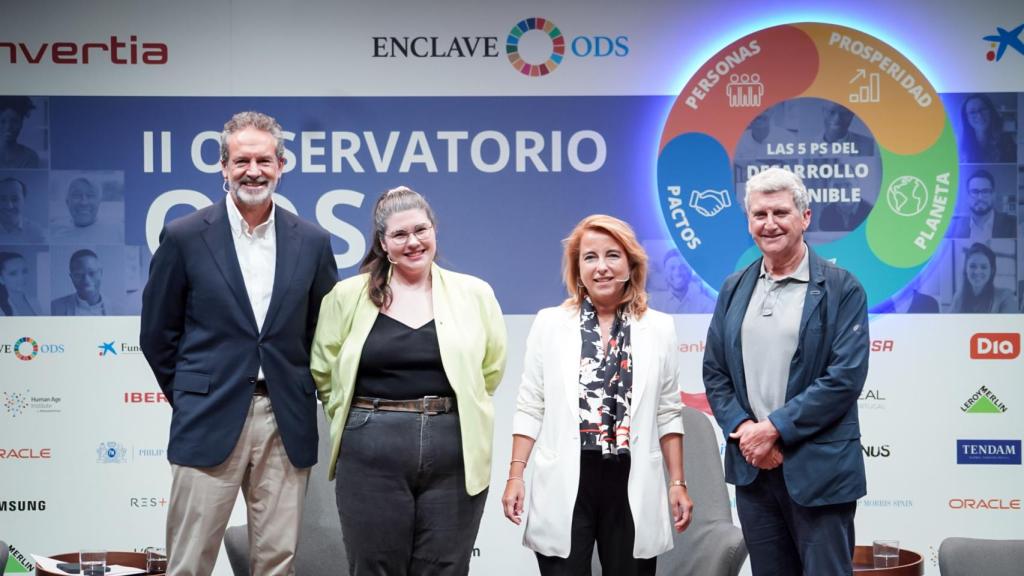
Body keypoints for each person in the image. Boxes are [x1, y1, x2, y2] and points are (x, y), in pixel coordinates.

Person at [139, 111, 337, 575]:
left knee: (277, 563)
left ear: (282, 165)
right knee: (189, 561)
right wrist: (193, 393)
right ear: (224, 167)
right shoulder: (185, 236)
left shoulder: (312, 242)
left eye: (264, 160)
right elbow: (157, 334)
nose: (254, 170)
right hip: (207, 416)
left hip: (284, 419)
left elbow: (324, 335)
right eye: (242, 160)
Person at [310, 186, 506, 575]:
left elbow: (491, 368)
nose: (413, 242)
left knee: (445, 567)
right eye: (399, 235)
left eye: (421, 230)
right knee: (375, 566)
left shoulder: (475, 293)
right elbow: (324, 369)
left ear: (434, 230)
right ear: (382, 243)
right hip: (370, 448)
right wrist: (362, 421)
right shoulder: (347, 295)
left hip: (456, 449)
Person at [502, 214, 693, 576]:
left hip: (631, 481)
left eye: (612, 255)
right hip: (567, 481)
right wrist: (515, 475)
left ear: (631, 263)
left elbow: (669, 412)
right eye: (590, 257)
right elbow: (530, 404)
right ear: (577, 268)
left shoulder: (659, 328)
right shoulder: (549, 324)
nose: (601, 267)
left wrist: (678, 483)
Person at [703, 167, 870, 575]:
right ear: (748, 222)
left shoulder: (841, 288)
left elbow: (844, 378)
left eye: (780, 212)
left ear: (805, 218)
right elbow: (715, 372)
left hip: (820, 473)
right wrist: (745, 430)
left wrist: (773, 429)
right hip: (754, 471)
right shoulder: (734, 288)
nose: (770, 223)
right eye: (759, 215)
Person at [49, 176, 125, 244]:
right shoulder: (53, 230)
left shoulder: (118, 231)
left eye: (90, 195)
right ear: (67, 201)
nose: (83, 202)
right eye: (76, 195)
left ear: (99, 202)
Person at [949, 169, 1015, 241]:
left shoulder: (1013, 225)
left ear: (993, 195)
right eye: (975, 191)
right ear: (967, 196)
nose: (980, 197)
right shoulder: (954, 228)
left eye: (985, 191)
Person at [951, 242, 1016, 313]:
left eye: (984, 267)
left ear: (992, 271)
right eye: (972, 266)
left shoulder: (1004, 297)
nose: (977, 272)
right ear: (966, 269)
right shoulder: (958, 297)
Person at [648, 249, 716, 313]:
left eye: (683, 267)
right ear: (665, 273)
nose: (677, 273)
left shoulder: (707, 305)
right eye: (672, 268)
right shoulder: (653, 302)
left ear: (690, 272)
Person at [51, 249, 112, 316]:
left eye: (92, 273)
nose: (86, 280)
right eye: (78, 275)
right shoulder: (55, 307)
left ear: (101, 273)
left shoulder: (120, 309)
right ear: (71, 277)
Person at [959, 93, 1016, 163]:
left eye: (982, 109)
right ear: (966, 118)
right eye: (972, 112)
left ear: (991, 112)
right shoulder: (960, 145)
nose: (979, 115)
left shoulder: (1006, 140)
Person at [0, 177, 46, 244]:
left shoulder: (36, 232)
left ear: (24, 201)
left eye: (15, 199)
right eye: (2, 199)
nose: (9, 206)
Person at [0, 97, 41, 169]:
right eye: (2, 121)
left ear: (21, 123)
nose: (8, 127)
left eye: (14, 121)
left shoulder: (30, 157)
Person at [0, 251, 41, 315]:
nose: (21, 278)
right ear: (1, 279)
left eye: (24, 271)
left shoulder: (35, 302)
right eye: (13, 273)